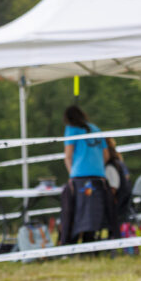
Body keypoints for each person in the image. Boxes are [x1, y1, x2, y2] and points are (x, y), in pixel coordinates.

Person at [59, 105, 115, 245]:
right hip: (99, 178)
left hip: (80, 178)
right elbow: (106, 155)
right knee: (94, 214)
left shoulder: (71, 129)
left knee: (76, 213)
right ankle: (90, 242)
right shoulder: (96, 129)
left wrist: (72, 174)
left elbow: (68, 156)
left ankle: (69, 244)